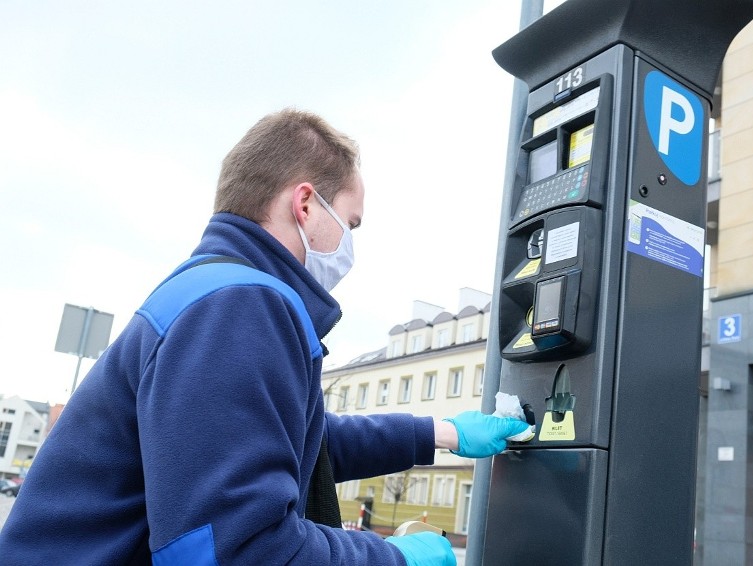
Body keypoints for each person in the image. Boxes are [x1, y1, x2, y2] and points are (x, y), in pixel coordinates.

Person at [0, 108, 529, 565]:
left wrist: (445, 433)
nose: (350, 245)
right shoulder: (237, 307)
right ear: (304, 205)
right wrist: (391, 557)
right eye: (351, 223)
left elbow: (303, 445)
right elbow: (241, 553)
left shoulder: (215, 294)